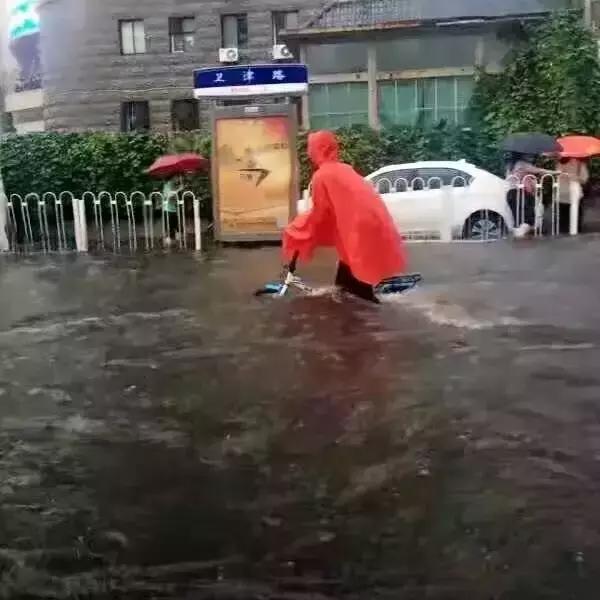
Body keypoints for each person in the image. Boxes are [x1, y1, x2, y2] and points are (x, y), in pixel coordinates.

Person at [282, 130, 407, 303]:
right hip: (369, 225)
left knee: (359, 292)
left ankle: (372, 321)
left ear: (318, 149)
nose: (309, 152)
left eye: (311, 148)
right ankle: (359, 314)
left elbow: (321, 212)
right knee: (346, 284)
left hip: (358, 232)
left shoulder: (322, 175)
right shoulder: (344, 169)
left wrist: (300, 229)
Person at [505, 153, 557, 237]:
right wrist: (556, 172)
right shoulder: (522, 164)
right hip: (521, 193)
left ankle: (518, 237)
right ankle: (521, 235)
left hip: (511, 193)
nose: (529, 157)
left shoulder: (510, 165)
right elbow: (539, 171)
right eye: (527, 155)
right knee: (528, 216)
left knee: (518, 216)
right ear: (522, 156)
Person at [557, 157, 589, 233]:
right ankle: (575, 232)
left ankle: (563, 234)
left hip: (562, 193)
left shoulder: (560, 163)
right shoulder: (580, 164)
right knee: (576, 217)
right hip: (575, 193)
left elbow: (557, 175)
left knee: (563, 217)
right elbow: (584, 179)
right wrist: (575, 177)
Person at [161, 176, 182, 246]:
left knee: (177, 227)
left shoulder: (173, 185)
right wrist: (179, 189)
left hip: (173, 209)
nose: (179, 179)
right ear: (173, 177)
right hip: (167, 209)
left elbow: (174, 197)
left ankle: (176, 243)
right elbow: (168, 195)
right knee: (169, 228)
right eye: (178, 177)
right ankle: (168, 244)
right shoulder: (168, 185)